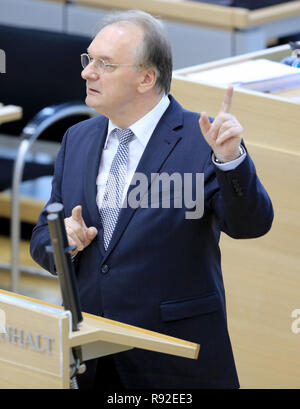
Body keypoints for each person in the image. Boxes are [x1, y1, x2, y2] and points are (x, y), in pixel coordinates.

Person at [30, 10, 273, 389]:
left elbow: (251, 225)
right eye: (88, 59)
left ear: (146, 78)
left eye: (104, 64)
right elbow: (43, 242)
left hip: (173, 361)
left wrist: (230, 161)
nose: (87, 72)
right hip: (93, 356)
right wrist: (65, 240)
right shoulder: (77, 138)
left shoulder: (201, 141)